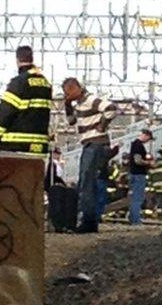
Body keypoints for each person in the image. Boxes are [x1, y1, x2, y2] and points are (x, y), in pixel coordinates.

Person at [62, 77, 119, 233]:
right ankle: (89, 220)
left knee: (87, 181)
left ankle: (88, 221)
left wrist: (102, 125)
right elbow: (71, 121)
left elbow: (111, 108)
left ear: (76, 88)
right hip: (89, 144)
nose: (67, 95)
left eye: (68, 92)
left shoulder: (91, 100)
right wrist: (67, 105)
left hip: (95, 142)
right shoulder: (80, 105)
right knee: (86, 181)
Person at [0, 46, 52, 158]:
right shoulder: (46, 84)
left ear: (17, 60)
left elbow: (5, 114)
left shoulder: (18, 83)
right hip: (40, 147)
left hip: (16, 147)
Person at [128, 129, 154, 225]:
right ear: (145, 135)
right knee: (137, 198)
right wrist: (149, 163)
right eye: (148, 139)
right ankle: (135, 220)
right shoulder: (138, 145)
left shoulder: (134, 144)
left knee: (134, 197)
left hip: (134, 174)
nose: (148, 141)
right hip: (138, 174)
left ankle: (133, 218)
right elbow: (137, 160)